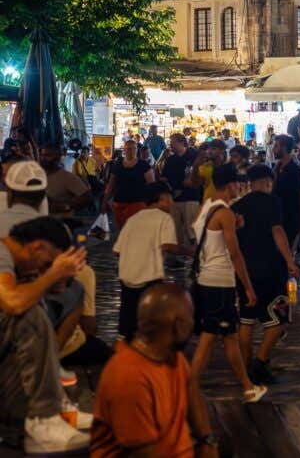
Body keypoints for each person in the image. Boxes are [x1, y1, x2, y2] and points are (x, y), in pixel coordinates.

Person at [91, 282, 217, 456]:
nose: (193, 324)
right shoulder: (130, 377)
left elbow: (190, 388)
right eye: (191, 318)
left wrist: (206, 440)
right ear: (178, 326)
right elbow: (144, 453)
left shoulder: (172, 355)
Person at [0, 216, 91, 453]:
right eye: (48, 262)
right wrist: (52, 274)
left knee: (37, 299)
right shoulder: (1, 254)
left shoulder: (20, 267)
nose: (46, 269)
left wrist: (53, 280)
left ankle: (43, 413)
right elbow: (13, 303)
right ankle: (44, 416)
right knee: (28, 312)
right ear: (38, 246)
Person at [188, 166, 267, 403]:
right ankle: (188, 386)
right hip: (220, 281)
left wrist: (233, 225)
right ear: (230, 185)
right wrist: (248, 286)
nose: (240, 187)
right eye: (238, 183)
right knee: (210, 337)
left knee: (227, 336)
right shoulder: (225, 213)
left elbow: (200, 232)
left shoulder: (207, 207)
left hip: (204, 279)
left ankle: (248, 388)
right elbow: (234, 253)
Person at [233, 164, 300, 387]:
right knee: (278, 318)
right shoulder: (272, 202)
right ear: (267, 181)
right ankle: (260, 362)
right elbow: (277, 231)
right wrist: (290, 261)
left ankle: (246, 367)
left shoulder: (238, 205)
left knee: (246, 320)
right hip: (270, 269)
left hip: (244, 270)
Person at [115, 182, 189, 341]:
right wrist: (192, 251)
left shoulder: (133, 219)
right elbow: (169, 246)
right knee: (151, 325)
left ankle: (122, 352)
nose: (172, 203)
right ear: (162, 199)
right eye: (170, 198)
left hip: (127, 278)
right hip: (150, 279)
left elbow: (117, 251)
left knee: (127, 325)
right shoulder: (164, 218)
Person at [157, 133, 200, 250]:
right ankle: (178, 254)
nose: (171, 145)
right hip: (174, 198)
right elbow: (164, 177)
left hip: (191, 197)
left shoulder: (193, 156)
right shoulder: (170, 160)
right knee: (175, 230)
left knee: (192, 230)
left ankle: (193, 254)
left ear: (182, 142)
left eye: (173, 142)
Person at [271, 135, 300, 260]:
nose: (273, 149)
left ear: (284, 148)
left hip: (291, 217)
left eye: (276, 146)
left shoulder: (294, 169)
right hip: (278, 216)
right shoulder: (277, 168)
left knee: (287, 252)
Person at [104, 139, 153, 230]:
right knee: (122, 229)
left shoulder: (143, 165)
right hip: (119, 203)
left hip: (137, 203)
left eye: (134, 148)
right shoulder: (118, 165)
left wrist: (151, 204)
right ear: (124, 150)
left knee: (135, 230)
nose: (132, 151)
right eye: (129, 149)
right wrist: (105, 201)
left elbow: (152, 185)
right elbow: (111, 184)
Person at [38, 143, 92, 219]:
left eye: (48, 155)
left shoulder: (67, 177)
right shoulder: (35, 175)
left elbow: (86, 197)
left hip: (59, 223)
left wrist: (64, 206)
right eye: (42, 155)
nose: (43, 158)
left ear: (57, 157)